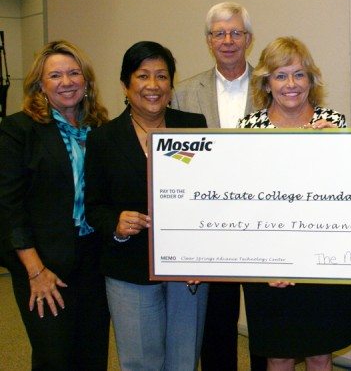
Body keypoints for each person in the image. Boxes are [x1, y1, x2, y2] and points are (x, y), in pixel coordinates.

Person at [85, 41, 210, 370]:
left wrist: (205, 255)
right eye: (143, 76)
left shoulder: (194, 126)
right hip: (129, 269)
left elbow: (211, 196)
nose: (153, 86)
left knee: (184, 359)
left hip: (187, 270)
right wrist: (116, 222)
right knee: (141, 361)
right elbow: (93, 205)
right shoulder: (103, 139)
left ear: (171, 84)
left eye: (162, 76)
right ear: (125, 85)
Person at [239, 36, 351, 371]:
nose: (290, 84)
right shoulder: (247, 129)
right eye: (280, 75)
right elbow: (243, 202)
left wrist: (338, 149)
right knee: (279, 354)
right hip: (268, 260)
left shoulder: (335, 125)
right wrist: (268, 261)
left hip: (323, 257)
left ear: (311, 80)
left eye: (299, 74)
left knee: (321, 354)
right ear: (266, 81)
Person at [0, 40, 110, 370]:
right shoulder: (19, 129)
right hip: (43, 263)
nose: (66, 82)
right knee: (54, 357)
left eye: (74, 73)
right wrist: (35, 271)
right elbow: (8, 206)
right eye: (56, 75)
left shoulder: (100, 129)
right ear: (40, 84)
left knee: (91, 354)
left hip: (93, 261)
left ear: (87, 81)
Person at [171, 1, 265, 371]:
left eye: (235, 33)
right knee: (216, 328)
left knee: (264, 326)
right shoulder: (183, 92)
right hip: (211, 227)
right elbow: (175, 164)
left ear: (249, 39)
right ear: (208, 41)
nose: (228, 40)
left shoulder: (271, 86)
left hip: (261, 224)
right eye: (219, 33)